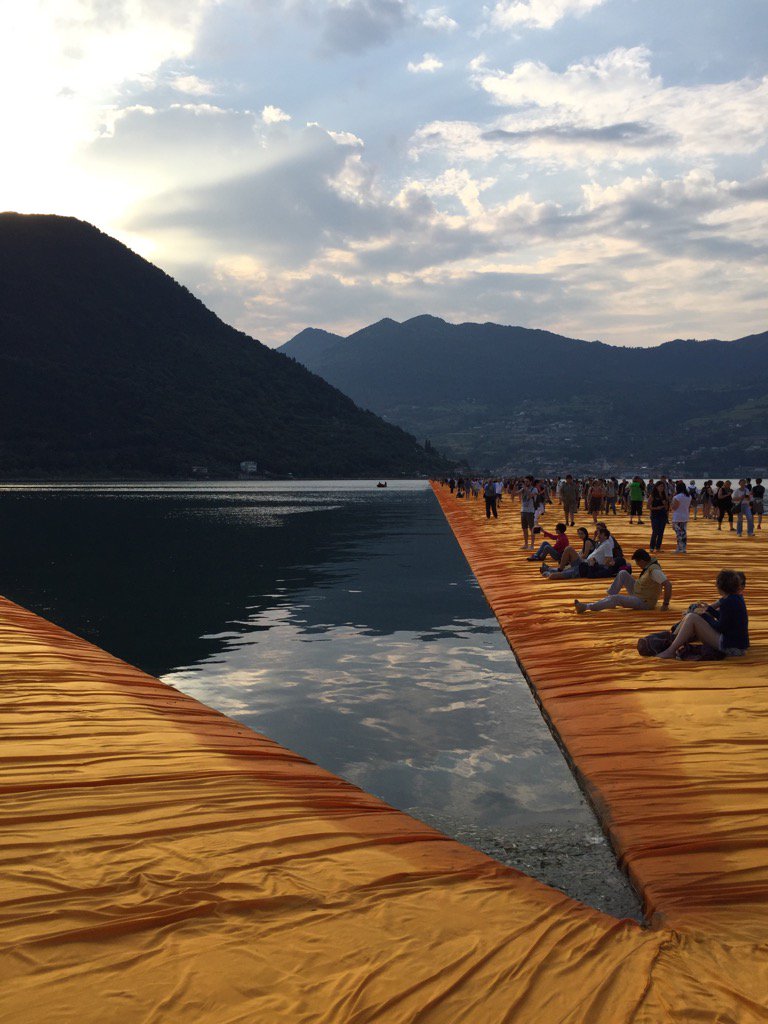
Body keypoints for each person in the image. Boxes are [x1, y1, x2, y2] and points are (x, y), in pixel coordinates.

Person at [657, 569, 749, 659]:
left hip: (731, 647)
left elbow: (721, 627)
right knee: (693, 616)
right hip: (736, 644)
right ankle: (673, 643)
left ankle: (671, 650)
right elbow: (726, 619)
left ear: (720, 587)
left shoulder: (728, 602)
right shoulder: (735, 598)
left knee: (692, 617)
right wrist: (708, 609)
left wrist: (704, 615)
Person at [575, 548, 671, 613]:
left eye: (637, 562)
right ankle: (608, 600)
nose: (638, 565)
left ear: (642, 561)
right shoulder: (649, 565)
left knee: (616, 598)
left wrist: (665, 604)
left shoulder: (654, 571)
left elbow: (668, 585)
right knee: (622, 573)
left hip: (644, 602)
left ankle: (587, 607)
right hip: (640, 592)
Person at [670, 480, 692, 553]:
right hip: (685, 516)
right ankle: (683, 548)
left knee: (679, 533)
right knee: (683, 533)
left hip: (677, 517)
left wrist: (671, 504)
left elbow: (674, 507)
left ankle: (680, 548)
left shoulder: (677, 497)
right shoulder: (689, 496)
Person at [649, 480, 670, 552]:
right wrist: (656, 508)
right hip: (655, 515)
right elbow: (648, 506)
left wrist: (666, 504)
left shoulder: (664, 495)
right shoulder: (653, 495)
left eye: (663, 487)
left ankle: (658, 547)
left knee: (661, 532)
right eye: (660, 486)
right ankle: (651, 547)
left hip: (663, 515)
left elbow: (667, 507)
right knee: (655, 531)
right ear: (657, 487)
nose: (662, 488)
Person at [517, 477, 536, 549]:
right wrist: (513, 487)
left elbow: (531, 495)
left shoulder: (534, 489)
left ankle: (532, 545)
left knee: (532, 529)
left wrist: (525, 489)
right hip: (523, 511)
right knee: (524, 528)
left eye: (527, 481)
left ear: (531, 482)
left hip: (530, 511)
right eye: (525, 482)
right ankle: (526, 544)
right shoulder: (523, 489)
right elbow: (515, 494)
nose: (526, 483)